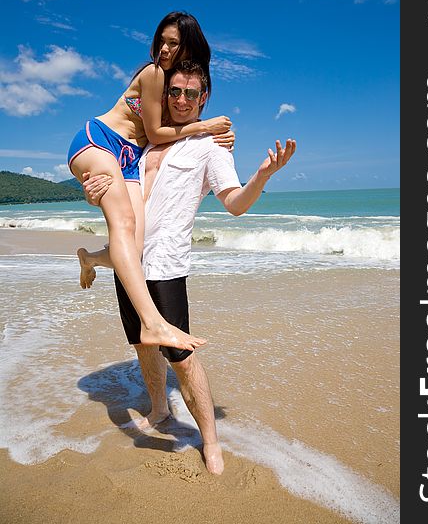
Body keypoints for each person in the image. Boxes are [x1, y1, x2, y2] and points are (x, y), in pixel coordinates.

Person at [83, 60, 296, 475]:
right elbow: (112, 191)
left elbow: (234, 203)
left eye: (190, 93)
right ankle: (161, 408)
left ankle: (210, 440)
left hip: (165, 263)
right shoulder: (140, 143)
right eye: (174, 92)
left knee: (180, 355)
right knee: (142, 343)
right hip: (128, 261)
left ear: (205, 98)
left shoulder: (211, 147)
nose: (181, 100)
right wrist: (93, 192)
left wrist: (263, 177)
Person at [67, 12, 234, 351]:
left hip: (130, 159)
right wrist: (207, 126)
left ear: (189, 46)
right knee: (125, 224)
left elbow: (178, 129)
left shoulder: (178, 84)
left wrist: (218, 136)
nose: (165, 48)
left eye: (174, 42)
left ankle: (90, 258)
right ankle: (152, 323)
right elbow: (158, 133)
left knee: (135, 246)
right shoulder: (154, 73)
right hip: (100, 142)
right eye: (162, 40)